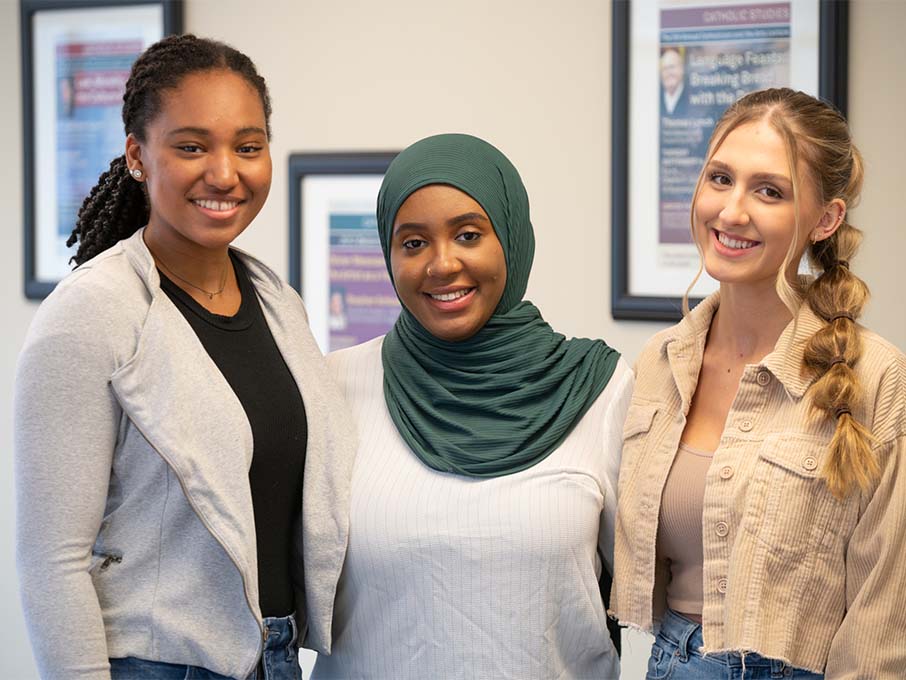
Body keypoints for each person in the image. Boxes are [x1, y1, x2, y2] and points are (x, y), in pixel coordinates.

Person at [14, 34, 355, 680]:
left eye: (248, 147)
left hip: (275, 659)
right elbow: (51, 563)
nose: (226, 173)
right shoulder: (91, 313)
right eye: (192, 146)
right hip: (154, 665)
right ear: (138, 157)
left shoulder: (278, 301)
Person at [312, 133, 631, 680]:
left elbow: (647, 593)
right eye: (412, 243)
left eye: (467, 234)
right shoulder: (334, 386)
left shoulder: (600, 390)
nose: (441, 263)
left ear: (510, 236)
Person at [611, 88, 906, 679]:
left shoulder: (874, 375)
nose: (732, 211)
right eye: (720, 178)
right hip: (668, 662)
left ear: (826, 219)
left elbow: (882, 614)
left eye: (769, 191)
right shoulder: (657, 362)